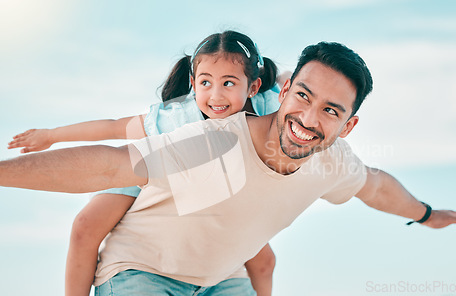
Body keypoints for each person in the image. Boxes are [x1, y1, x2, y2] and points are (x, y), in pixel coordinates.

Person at [0, 41, 456, 296]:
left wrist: (428, 213)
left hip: (222, 279)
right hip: (141, 272)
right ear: (285, 89)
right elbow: (110, 164)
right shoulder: (214, 140)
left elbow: (375, 188)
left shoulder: (333, 162)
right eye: (304, 96)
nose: (308, 120)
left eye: (330, 111)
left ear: (348, 126)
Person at [7, 30, 282, 296]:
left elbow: (299, 80)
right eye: (206, 83)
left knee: (264, 260)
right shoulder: (178, 118)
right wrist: (52, 136)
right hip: (148, 168)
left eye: (229, 83)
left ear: (253, 86)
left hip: (208, 197)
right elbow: (115, 128)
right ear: (193, 82)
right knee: (85, 225)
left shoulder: (269, 108)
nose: (216, 96)